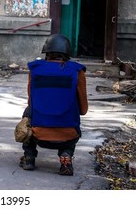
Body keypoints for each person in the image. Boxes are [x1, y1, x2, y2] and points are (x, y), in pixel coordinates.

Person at [19, 34, 88, 175]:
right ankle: (66, 155)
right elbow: (83, 109)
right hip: (68, 135)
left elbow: (31, 101)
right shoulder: (77, 71)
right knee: (72, 115)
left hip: (39, 134)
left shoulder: (35, 69)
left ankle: (29, 157)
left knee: (29, 112)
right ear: (68, 53)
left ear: (47, 53)